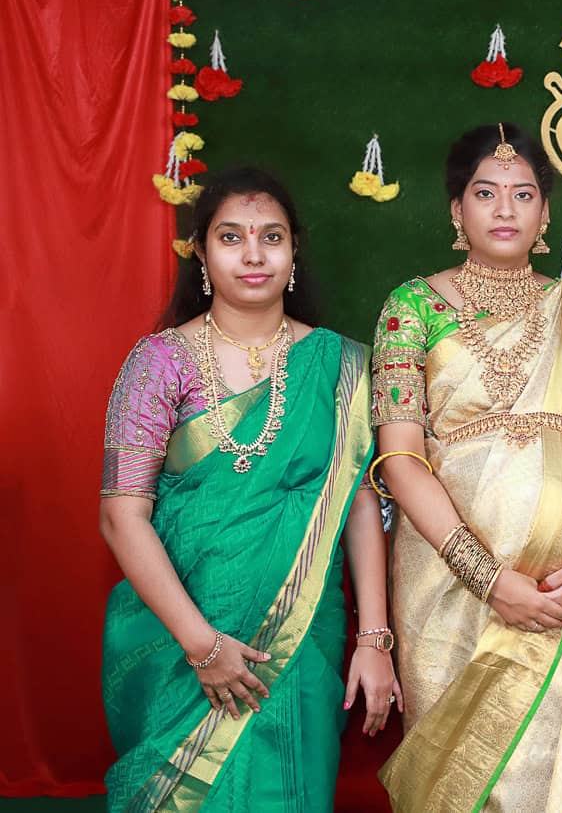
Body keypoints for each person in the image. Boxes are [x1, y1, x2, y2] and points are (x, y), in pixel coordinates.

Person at [371, 123, 562, 812]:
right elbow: (402, 460)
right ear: (456, 211)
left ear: (546, 212)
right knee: (471, 784)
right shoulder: (411, 307)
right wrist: (489, 579)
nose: (505, 209)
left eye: (523, 194)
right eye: (485, 193)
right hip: (448, 590)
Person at [99, 167, 399, 812]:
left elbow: (357, 504)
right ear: (202, 253)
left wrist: (374, 640)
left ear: (294, 253)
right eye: (231, 237)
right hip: (180, 640)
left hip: (302, 639)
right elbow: (121, 517)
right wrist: (201, 646)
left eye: (272, 236)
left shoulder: (344, 365)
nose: (255, 253)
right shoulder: (159, 361)